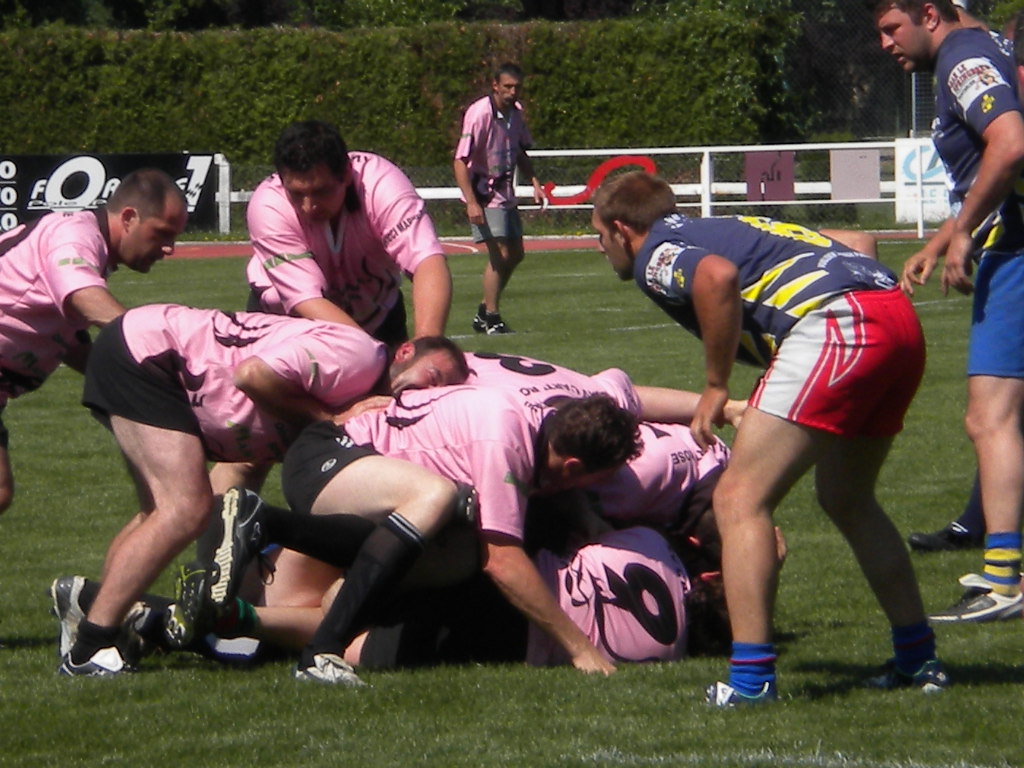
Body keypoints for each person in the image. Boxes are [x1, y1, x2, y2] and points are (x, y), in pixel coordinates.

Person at [591, 171, 945, 706]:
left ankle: (751, 681)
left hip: (840, 326)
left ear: (621, 229)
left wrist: (715, 386)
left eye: (600, 236)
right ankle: (918, 659)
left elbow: (716, 277)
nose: (602, 249)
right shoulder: (718, 224)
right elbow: (859, 242)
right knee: (847, 498)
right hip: (895, 316)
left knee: (738, 499)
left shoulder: (655, 254)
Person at [58, 304, 468, 676]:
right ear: (404, 351)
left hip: (144, 352)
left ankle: (93, 610)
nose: (427, 393)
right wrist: (330, 419)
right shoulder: (360, 357)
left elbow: (248, 462)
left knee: (160, 512)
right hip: (152, 353)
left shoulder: (373, 404)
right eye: (432, 377)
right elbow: (253, 375)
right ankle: (91, 647)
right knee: (183, 509)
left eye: (440, 391)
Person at [198, 389, 642, 682]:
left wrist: (586, 515)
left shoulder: (542, 420)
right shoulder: (504, 443)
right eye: (593, 482)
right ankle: (318, 639)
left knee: (447, 543)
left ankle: (204, 601)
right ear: (573, 466)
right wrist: (580, 650)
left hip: (353, 470)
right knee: (439, 499)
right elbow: (503, 561)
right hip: (326, 460)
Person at [877, 0, 1024, 623]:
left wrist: (963, 232)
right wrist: (941, 242)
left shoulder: (962, 57)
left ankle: (1004, 581)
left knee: (989, 417)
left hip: (1016, 250)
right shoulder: (983, 48)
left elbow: (1010, 145)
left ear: (930, 14)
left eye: (892, 28)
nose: (886, 43)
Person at [0, 168, 187, 515]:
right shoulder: (75, 235)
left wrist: (150, 381)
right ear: (129, 218)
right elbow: (83, 295)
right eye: (162, 233)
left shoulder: (89, 244)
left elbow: (70, 342)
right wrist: (149, 345)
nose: (169, 248)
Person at [246, 120, 452, 344]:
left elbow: (427, 261)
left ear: (346, 174)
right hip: (288, 322)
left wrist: (427, 346)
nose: (308, 206)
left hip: (379, 313)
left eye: (321, 191)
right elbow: (308, 300)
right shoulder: (267, 206)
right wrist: (376, 355)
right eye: (296, 193)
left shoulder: (381, 183)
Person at [454, 62, 545, 335]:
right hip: (483, 193)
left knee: (516, 254)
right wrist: (471, 202)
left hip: (505, 192)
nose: (512, 92)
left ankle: (484, 310)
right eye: (507, 86)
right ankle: (492, 318)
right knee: (500, 252)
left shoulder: (516, 113)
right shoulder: (479, 114)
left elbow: (519, 151)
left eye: (517, 87)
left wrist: (534, 181)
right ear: (495, 86)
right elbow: (460, 160)